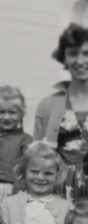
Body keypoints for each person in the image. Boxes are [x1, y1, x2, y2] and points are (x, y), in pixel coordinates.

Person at [34, 23, 88, 200]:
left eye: (86, 53)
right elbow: (38, 157)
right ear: (64, 58)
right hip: (62, 188)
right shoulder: (48, 105)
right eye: (73, 54)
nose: (80, 61)